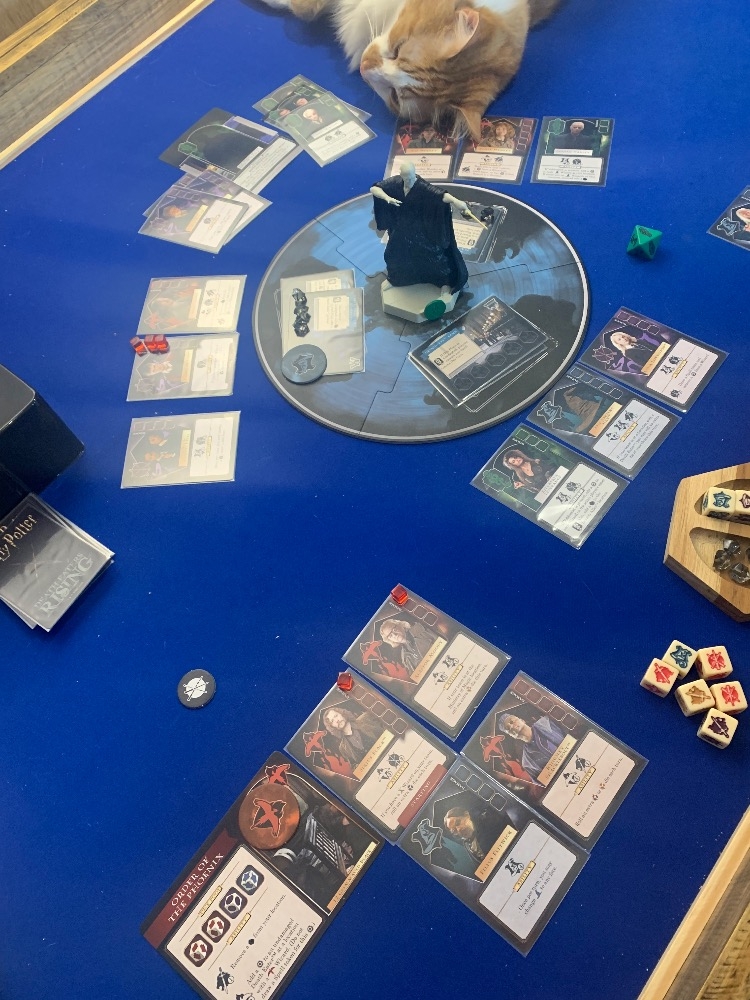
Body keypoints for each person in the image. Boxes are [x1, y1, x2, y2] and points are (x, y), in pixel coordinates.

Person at [370, 160, 469, 293]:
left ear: (415, 174)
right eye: (406, 178)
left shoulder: (421, 186)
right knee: (394, 254)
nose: (409, 181)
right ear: (401, 175)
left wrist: (456, 202)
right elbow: (374, 189)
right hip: (400, 229)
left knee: (433, 255)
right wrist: (386, 197)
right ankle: (396, 278)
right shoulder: (395, 182)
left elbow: (440, 194)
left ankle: (444, 282)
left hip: (421, 230)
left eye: (411, 177)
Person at [497, 712, 565, 780]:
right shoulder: (527, 762)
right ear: (512, 735)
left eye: (512, 721)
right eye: (508, 729)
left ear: (522, 720)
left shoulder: (547, 723)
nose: (511, 727)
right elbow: (543, 781)